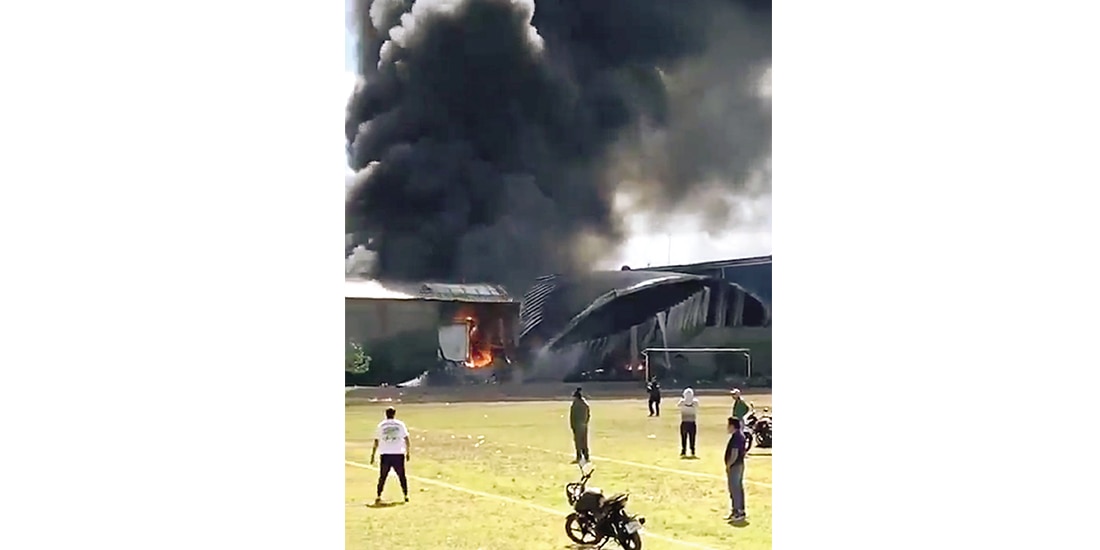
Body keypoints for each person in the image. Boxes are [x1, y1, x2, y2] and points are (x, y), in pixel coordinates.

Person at [370, 407, 410, 504]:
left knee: (383, 476)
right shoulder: (400, 424)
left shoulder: (381, 425)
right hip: (398, 453)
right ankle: (405, 495)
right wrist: (408, 452)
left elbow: (376, 441)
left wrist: (373, 454)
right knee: (401, 475)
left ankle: (378, 495)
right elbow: (406, 439)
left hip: (385, 454)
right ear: (394, 414)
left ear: (386, 414)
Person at [724, 416, 748, 522]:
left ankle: (738, 511)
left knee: (735, 489)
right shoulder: (740, 436)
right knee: (737, 488)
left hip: (735, 466)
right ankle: (737, 510)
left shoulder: (736, 437)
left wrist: (729, 465)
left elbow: (734, 453)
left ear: (732, 426)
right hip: (739, 464)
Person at [569, 387, 591, 464]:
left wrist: (572, 426)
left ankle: (579, 456)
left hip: (577, 425)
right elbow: (588, 415)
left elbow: (572, 416)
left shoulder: (575, 405)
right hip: (584, 425)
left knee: (578, 442)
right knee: (584, 441)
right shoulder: (585, 404)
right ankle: (586, 455)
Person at [677, 387, 700, 457]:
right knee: (692, 437)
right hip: (692, 422)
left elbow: (678, 405)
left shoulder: (682, 402)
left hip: (684, 422)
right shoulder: (695, 402)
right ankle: (692, 450)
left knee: (684, 437)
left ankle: (684, 450)